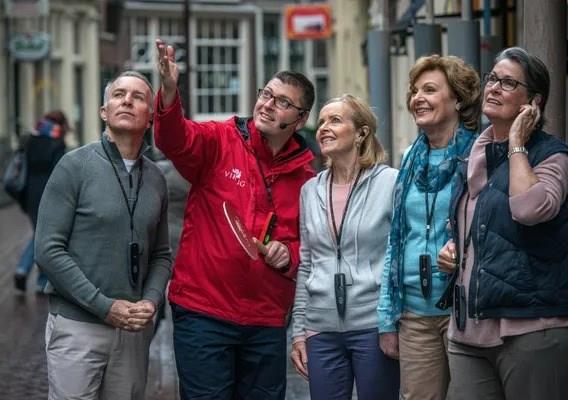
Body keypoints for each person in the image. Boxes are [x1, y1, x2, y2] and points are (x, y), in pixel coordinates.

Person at [154, 39, 315, 399]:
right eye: (267, 94)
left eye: (283, 102)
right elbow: (174, 140)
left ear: (301, 119)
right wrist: (169, 92)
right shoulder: (219, 140)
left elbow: (309, 246)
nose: (268, 105)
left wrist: (288, 254)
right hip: (203, 312)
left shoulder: (306, 179)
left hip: (266, 320)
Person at [437, 47, 568, 400]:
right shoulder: (474, 155)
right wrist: (455, 249)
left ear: (533, 101)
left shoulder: (552, 155)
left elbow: (530, 209)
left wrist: (516, 144)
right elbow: (475, 227)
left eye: (508, 83)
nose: (493, 87)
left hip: (529, 327)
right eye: (492, 78)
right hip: (468, 329)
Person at [34, 71, 172, 399]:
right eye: (118, 95)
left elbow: (161, 254)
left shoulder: (156, 178)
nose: (127, 101)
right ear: (104, 112)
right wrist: (104, 306)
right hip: (78, 326)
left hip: (133, 332)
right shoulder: (73, 166)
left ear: (150, 118)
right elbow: (48, 250)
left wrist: (151, 301)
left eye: (138, 97)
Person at [377, 54, 481, 399]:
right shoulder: (410, 157)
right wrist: (386, 316)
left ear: (458, 99)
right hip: (414, 312)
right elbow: (396, 238)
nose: (417, 98)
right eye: (415, 91)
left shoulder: (480, 155)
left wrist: (463, 251)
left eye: (430, 90)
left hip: (465, 311)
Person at [290, 94, 400, 400]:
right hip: (320, 329)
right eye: (322, 122)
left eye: (335, 120)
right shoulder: (310, 190)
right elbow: (307, 264)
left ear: (361, 132)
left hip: (374, 325)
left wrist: (394, 321)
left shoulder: (391, 182)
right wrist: (299, 331)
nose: (324, 128)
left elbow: (397, 257)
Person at [13, 111, 67, 293]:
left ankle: (26, 271)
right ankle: (39, 280)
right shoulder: (57, 142)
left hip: (30, 194)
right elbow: (60, 173)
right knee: (44, 236)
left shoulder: (30, 140)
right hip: (49, 193)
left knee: (40, 234)